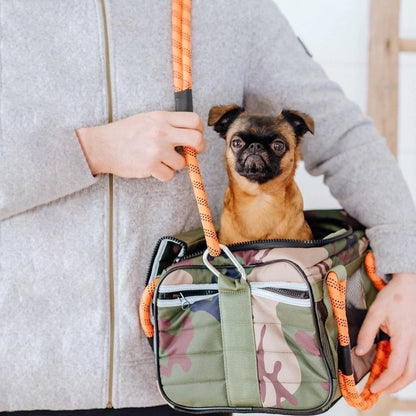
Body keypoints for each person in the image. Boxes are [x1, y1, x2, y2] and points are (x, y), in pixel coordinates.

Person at [1, 0, 415, 415]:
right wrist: (91, 150)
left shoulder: (233, 9)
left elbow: (343, 138)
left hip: (199, 373)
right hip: (20, 375)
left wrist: (408, 269)